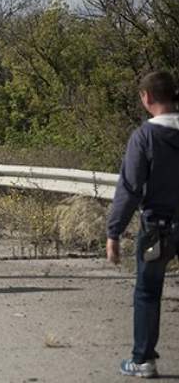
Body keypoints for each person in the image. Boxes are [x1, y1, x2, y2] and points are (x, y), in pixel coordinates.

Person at [106, 71, 179, 378]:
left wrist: (114, 231)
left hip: (157, 229)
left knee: (148, 292)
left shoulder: (144, 137)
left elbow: (131, 187)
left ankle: (143, 359)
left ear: (147, 97)